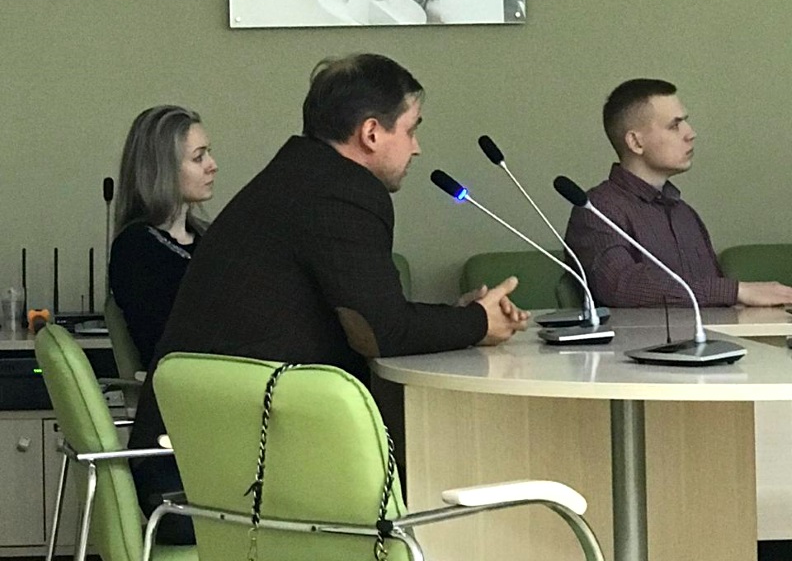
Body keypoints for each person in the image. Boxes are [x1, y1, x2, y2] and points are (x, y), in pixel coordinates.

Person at [127, 54, 527, 544]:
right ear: (372, 133)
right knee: (455, 484)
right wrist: (478, 323)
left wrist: (462, 317)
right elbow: (380, 332)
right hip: (219, 486)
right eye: (411, 129)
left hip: (194, 465)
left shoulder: (299, 175)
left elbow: (364, 318)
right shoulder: (342, 192)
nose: (417, 147)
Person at [564, 78, 792, 308]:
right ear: (635, 142)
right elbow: (621, 285)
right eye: (675, 126)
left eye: (686, 122)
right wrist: (735, 291)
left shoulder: (685, 214)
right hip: (644, 334)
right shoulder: (596, 209)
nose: (690, 133)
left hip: (711, 331)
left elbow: (715, 304)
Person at [109, 105, 218, 369]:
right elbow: (170, 341)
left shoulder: (209, 237)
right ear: (163, 169)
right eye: (198, 158)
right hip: (187, 383)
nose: (212, 166)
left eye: (209, 153)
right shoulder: (136, 249)